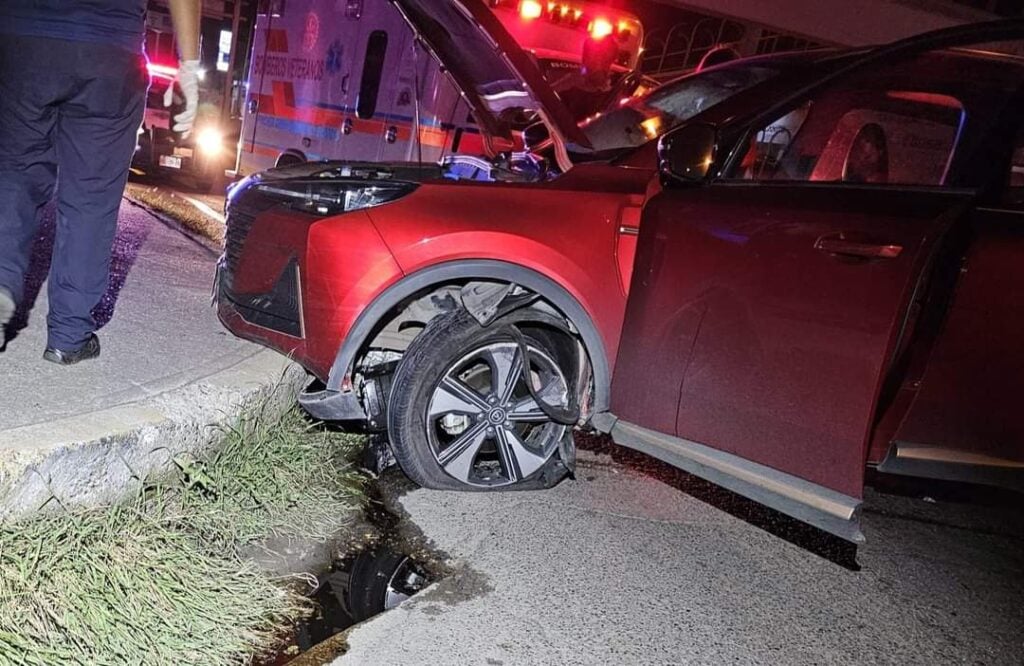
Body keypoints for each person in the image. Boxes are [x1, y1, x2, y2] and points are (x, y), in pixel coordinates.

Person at [0, 0, 201, 365]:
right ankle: (69, 335)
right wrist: (189, 67)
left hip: (21, 35)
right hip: (110, 47)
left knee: (13, 171)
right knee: (91, 197)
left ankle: (1, 279)